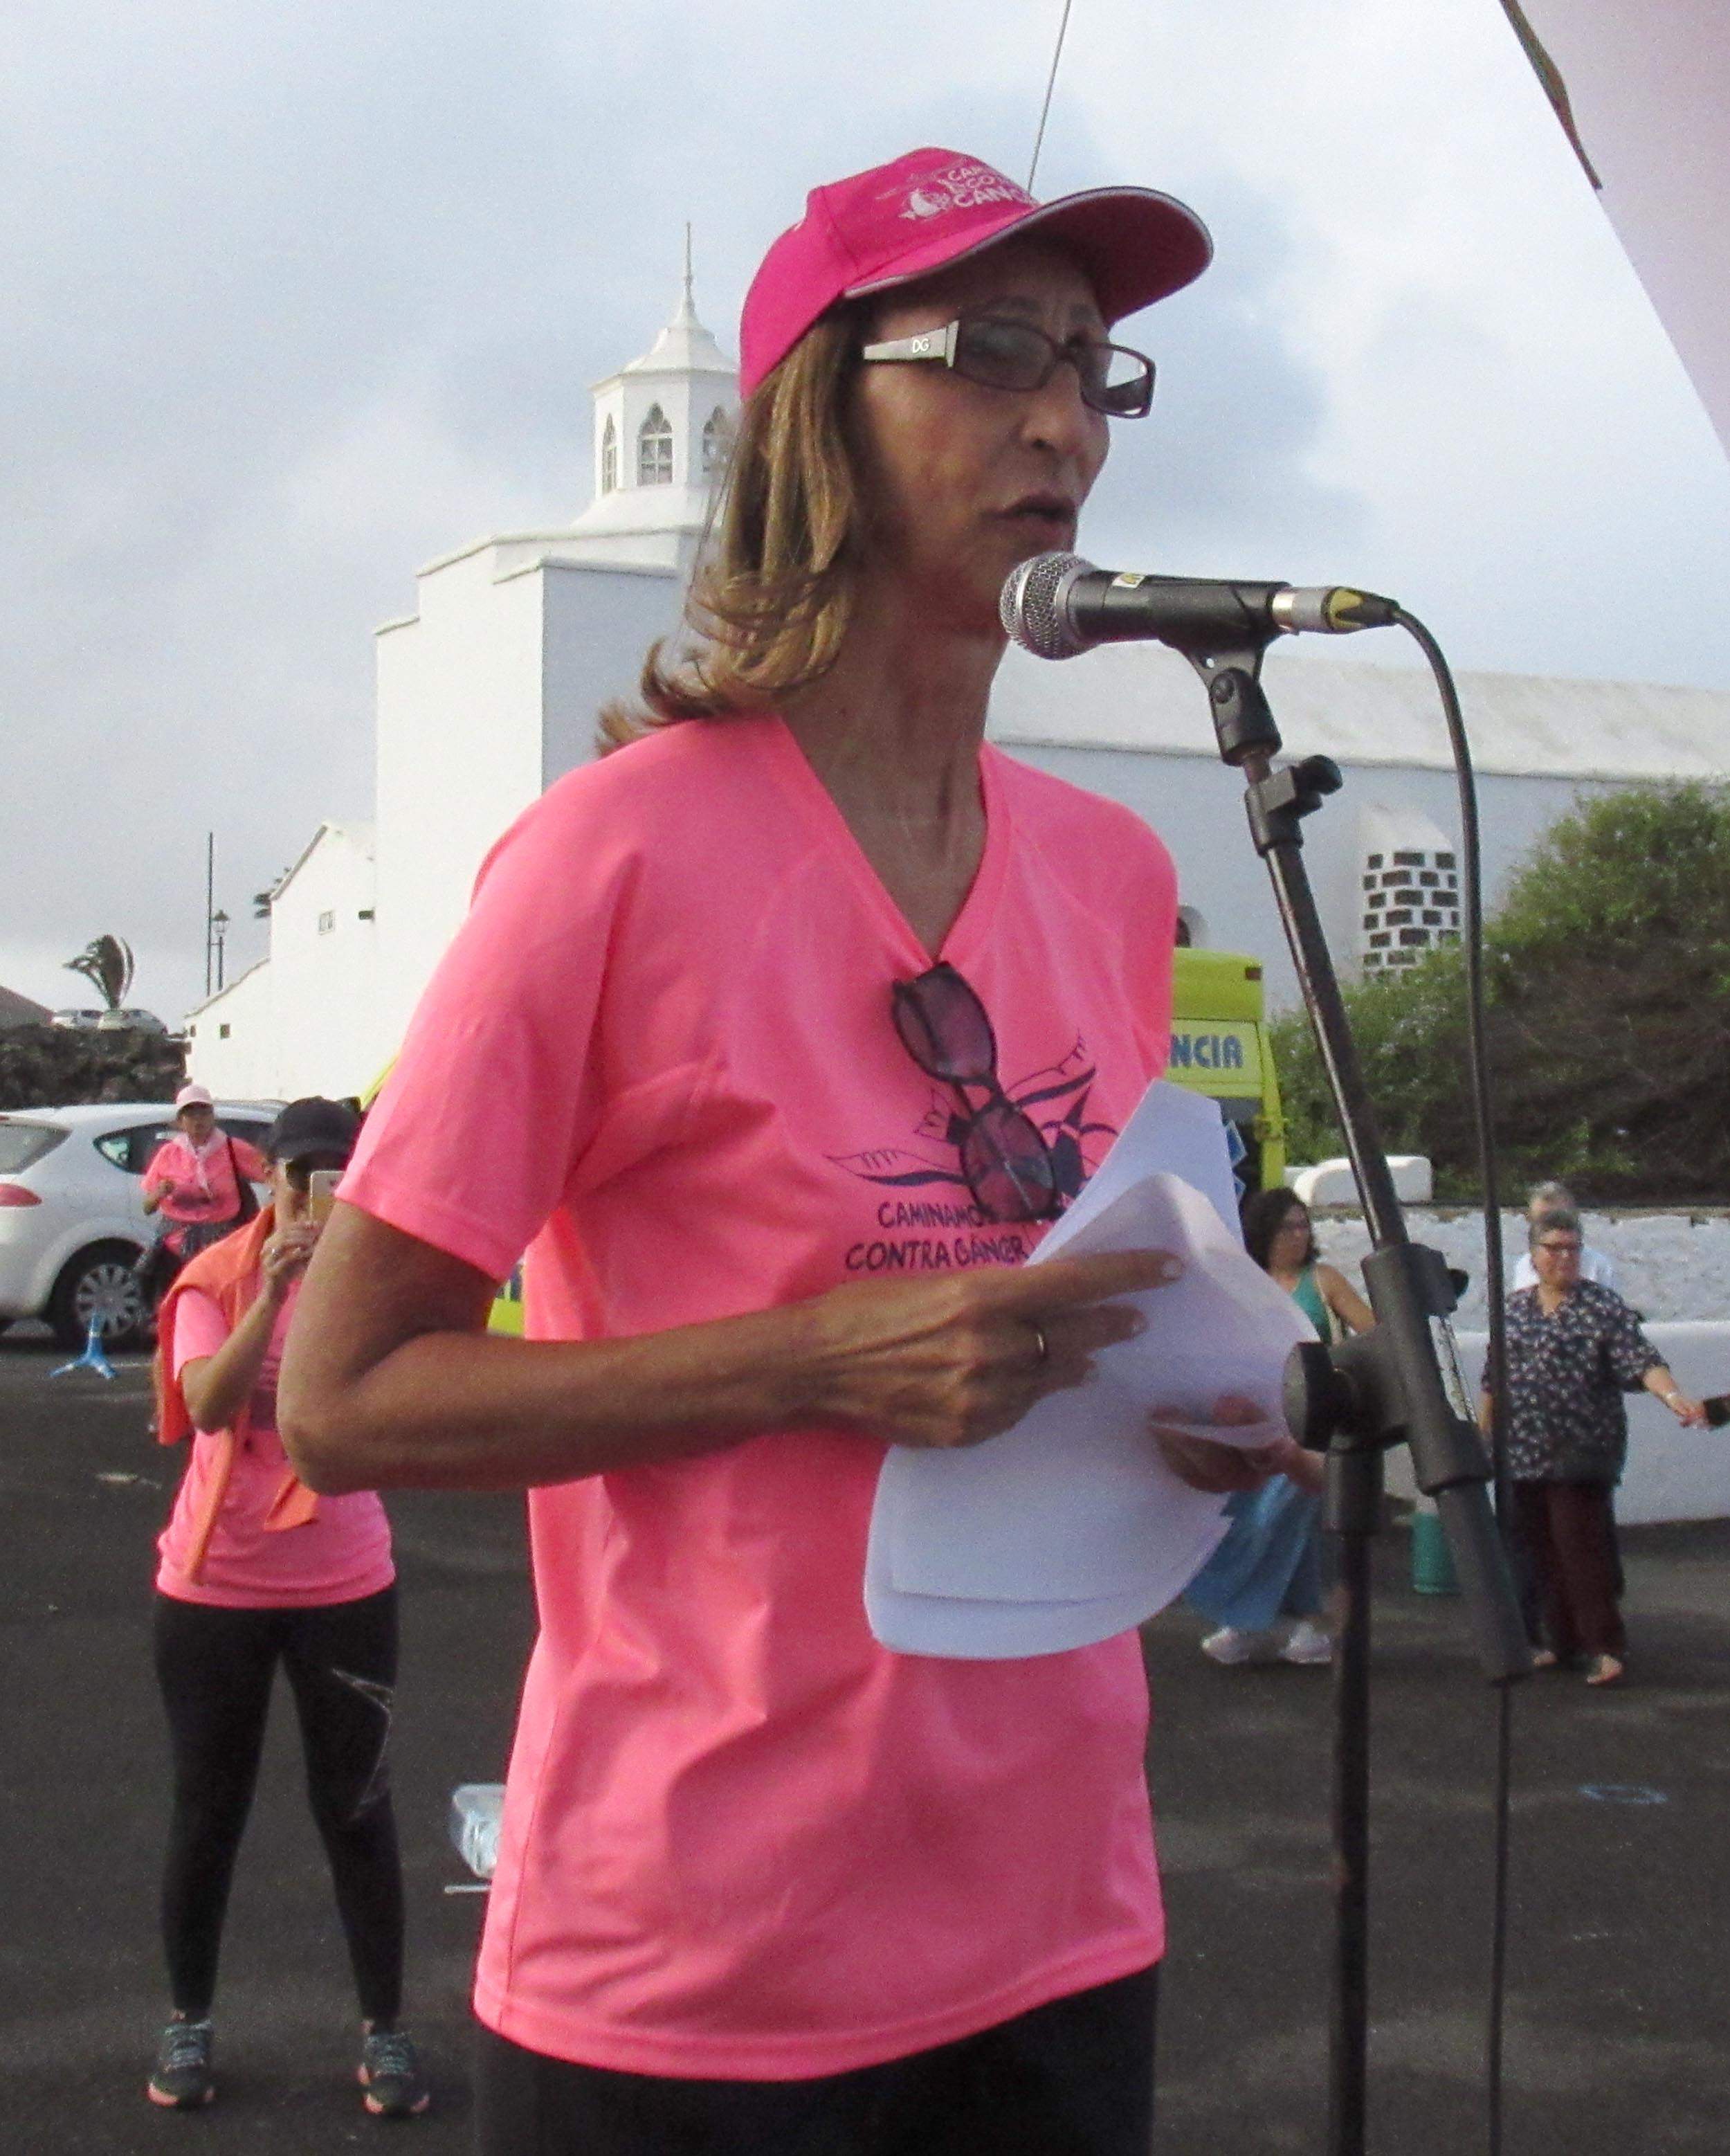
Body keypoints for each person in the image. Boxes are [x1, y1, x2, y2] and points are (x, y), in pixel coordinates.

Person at [279, 146, 1278, 2156]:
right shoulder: (606, 863)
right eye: (991, 350)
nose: (1061, 418)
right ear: (820, 419)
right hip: (695, 1969)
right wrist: (820, 1362)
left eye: (1093, 369)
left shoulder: (1109, 870)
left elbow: (1091, 1287)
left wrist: (1213, 1407)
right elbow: (337, 1394)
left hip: (1057, 1922)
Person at [145, 1098, 427, 2119]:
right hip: (216, 1581)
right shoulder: (214, 1278)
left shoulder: (384, 1282)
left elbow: (409, 1394)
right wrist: (271, 1297)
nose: (320, 1191)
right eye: (303, 1172)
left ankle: (386, 2030)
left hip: (345, 1580)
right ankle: (186, 2019)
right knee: (208, 1808)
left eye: (339, 1171)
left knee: (357, 1806)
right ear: (270, 1179)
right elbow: (210, 1404)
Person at [1484, 1206, 1704, 1688]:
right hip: (1523, 1452)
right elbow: (1493, 1379)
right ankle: (1561, 1641)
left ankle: (1604, 1645)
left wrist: (1672, 1396)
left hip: (1582, 1450)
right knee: (1540, 1551)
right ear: (1534, 1255)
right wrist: (1484, 1437)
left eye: (1572, 1248)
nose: (1564, 1258)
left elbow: (1642, 1360)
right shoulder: (1515, 1310)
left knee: (1581, 1549)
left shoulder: (1601, 1306)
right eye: (1554, 1248)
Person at [1186, 1187, 1374, 1667]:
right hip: (1257, 1419)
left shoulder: (1324, 1279)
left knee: (1287, 1522)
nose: (1299, 1234)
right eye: (1289, 1226)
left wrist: (1337, 1373)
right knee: (1247, 1521)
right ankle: (1253, 1621)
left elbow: (1372, 1332)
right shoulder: (1246, 1280)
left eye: (1304, 1224)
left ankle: (1291, 1621)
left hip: (1312, 1427)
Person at [138, 1084, 268, 1309]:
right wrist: (160, 1192)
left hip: (222, 1242)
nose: (198, 1120)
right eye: (191, 1114)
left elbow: (269, 1173)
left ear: (213, 1116)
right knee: (168, 1296)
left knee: (219, 1300)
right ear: (180, 1121)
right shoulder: (169, 1154)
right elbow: (147, 1207)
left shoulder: (232, 1149)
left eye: (204, 1112)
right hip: (175, 1246)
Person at [1510, 1179, 1617, 1294]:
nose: (1553, 1228)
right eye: (1543, 1220)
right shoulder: (1524, 1266)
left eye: (1560, 1219)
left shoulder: (1597, 1266)